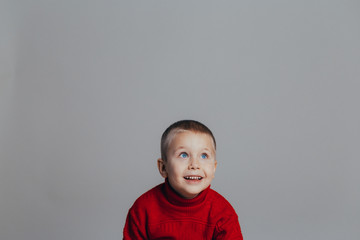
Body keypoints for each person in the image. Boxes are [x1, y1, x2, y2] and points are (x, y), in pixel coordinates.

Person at [123, 120, 243, 239]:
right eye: (183, 155)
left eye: (203, 155)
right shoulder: (143, 209)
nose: (195, 165)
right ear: (163, 167)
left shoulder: (223, 213)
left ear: (214, 168)